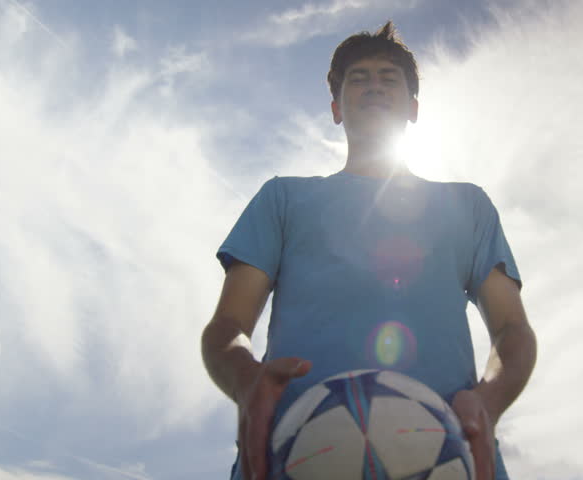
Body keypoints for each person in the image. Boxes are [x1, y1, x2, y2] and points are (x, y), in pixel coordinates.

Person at [201, 21, 537, 480]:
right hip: (289, 459)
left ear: (414, 108)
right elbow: (227, 326)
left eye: (388, 78)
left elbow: (512, 329)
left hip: (451, 459)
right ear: (336, 109)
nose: (374, 85)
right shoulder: (283, 199)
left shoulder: (469, 206)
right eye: (358, 78)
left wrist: (489, 400)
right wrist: (246, 378)